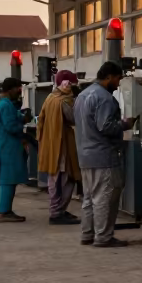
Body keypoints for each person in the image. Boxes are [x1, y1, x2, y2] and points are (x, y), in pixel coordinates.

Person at [74, 61, 136, 247]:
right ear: (109, 76)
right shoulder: (105, 98)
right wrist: (125, 124)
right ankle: (103, 237)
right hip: (103, 156)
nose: (118, 84)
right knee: (104, 198)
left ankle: (87, 234)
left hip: (85, 155)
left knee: (89, 198)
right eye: (118, 79)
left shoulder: (82, 96)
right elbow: (105, 126)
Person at [37, 69, 81, 225]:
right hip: (61, 146)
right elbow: (75, 119)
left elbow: (40, 121)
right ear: (66, 84)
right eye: (72, 84)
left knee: (54, 179)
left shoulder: (50, 98)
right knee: (66, 179)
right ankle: (57, 212)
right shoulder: (64, 101)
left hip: (50, 144)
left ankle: (58, 210)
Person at [0, 76, 29, 222]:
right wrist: (24, 128)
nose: (19, 91)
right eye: (17, 88)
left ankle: (6, 210)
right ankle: (5, 212)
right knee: (8, 180)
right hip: (9, 147)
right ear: (10, 89)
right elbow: (10, 126)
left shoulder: (4, 104)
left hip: (6, 146)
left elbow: (12, 118)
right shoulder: (6, 105)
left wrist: (20, 117)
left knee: (9, 179)